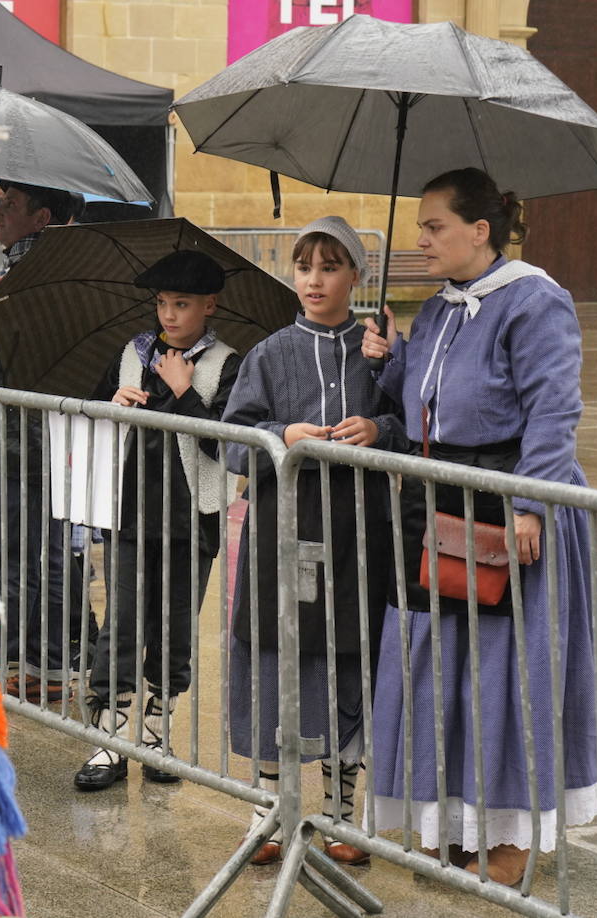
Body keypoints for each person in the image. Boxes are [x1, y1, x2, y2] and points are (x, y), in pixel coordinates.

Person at [361, 167, 597, 885]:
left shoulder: (535, 301)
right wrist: (392, 360)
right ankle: (457, 826)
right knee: (445, 671)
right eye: (419, 227)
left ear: (480, 230)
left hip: (510, 501)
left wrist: (532, 502)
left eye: (433, 226)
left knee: (507, 676)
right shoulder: (437, 311)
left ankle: (511, 836)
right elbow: (425, 409)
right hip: (442, 503)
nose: (420, 240)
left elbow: (554, 410)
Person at [221, 217, 404, 866]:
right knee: (278, 664)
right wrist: (283, 438)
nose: (314, 280)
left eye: (329, 267)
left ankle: (341, 815)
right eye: (304, 267)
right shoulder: (269, 354)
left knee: (348, 662)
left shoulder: (379, 351)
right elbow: (233, 440)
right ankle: (267, 811)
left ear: (355, 275)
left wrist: (380, 425)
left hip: (358, 540)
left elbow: (414, 426)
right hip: (283, 535)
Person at [75, 250, 242, 791]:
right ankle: (111, 736)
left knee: (174, 628)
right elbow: (95, 411)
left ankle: (155, 732)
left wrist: (184, 391)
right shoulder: (132, 354)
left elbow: (227, 444)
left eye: (182, 304)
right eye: (162, 303)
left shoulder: (225, 363)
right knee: (122, 620)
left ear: (209, 306)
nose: (168, 315)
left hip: (192, 518)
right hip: (128, 513)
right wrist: (108, 400)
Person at [0, 180, 93, 701]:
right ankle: (32, 663)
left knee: (29, 555)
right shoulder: (25, 265)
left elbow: (31, 356)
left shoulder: (42, 271)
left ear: (42, 216)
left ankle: (35, 666)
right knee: (29, 552)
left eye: (10, 205)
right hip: (22, 437)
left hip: (28, 440)